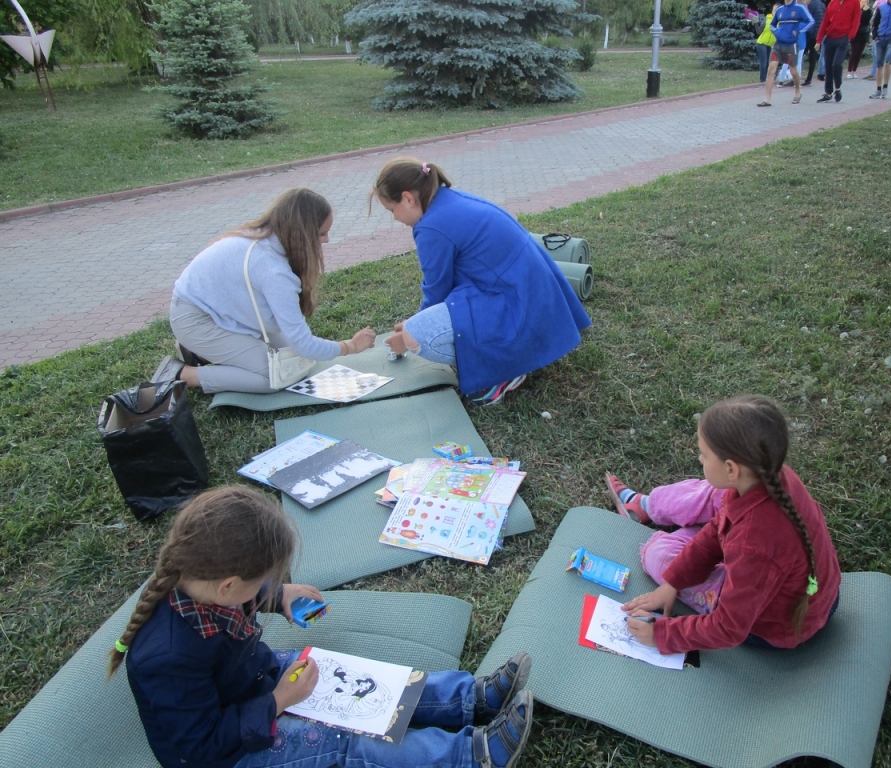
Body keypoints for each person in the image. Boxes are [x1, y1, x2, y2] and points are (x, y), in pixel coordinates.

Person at [110, 485, 534, 768]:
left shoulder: (206, 585)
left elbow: (243, 598)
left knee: (360, 682)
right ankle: (470, 755)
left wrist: (280, 594)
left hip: (256, 681)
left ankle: (470, 699)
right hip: (230, 752)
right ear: (228, 585)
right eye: (261, 581)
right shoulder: (166, 657)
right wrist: (278, 701)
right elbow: (196, 748)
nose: (263, 589)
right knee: (340, 741)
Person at [604, 395, 842, 652]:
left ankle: (654, 510)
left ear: (731, 469)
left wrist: (661, 635)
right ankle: (648, 506)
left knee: (657, 554)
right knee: (714, 495)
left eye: (704, 455)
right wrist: (673, 583)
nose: (700, 459)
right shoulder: (773, 477)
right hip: (811, 590)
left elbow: (728, 628)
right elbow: (719, 526)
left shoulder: (752, 545)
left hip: (774, 625)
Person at [373, 158, 592, 406]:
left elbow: (437, 290)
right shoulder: (448, 200)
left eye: (392, 210)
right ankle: (515, 354)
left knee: (417, 337)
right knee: (419, 327)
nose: (394, 218)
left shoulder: (432, 227)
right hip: (532, 297)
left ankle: (504, 370)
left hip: (518, 303)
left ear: (408, 198)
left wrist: (407, 336)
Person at [156, 188, 376, 393]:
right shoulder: (274, 271)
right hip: (195, 320)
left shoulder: (267, 238)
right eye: (321, 234)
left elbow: (298, 344)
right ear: (301, 234)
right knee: (273, 378)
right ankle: (184, 374)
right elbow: (305, 345)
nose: (326, 240)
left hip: (219, 312)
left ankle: (201, 353)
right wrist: (350, 346)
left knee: (295, 362)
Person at [760, 0, 815, 105]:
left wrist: (798, 30)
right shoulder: (780, 10)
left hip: (791, 44)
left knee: (793, 71)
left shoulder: (799, 8)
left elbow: (811, 21)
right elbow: (772, 25)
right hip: (778, 45)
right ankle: (767, 99)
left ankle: (798, 91)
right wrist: (776, 31)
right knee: (771, 69)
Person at [815, 0, 863, 102]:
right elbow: (825, 21)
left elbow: (856, 20)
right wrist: (819, 40)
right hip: (830, 38)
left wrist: (850, 36)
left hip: (843, 37)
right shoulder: (833, 2)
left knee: (837, 64)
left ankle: (838, 88)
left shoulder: (854, 2)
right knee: (828, 66)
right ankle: (828, 93)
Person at [869, 0, 891, 98]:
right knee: (879, 65)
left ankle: (885, 87)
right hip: (880, 38)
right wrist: (875, 36)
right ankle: (878, 89)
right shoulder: (882, 7)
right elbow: (875, 23)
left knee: (888, 62)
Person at [802, 0, 827, 85]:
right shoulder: (822, 5)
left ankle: (795, 76)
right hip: (820, 33)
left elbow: (807, 19)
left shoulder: (810, 5)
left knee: (800, 54)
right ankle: (809, 78)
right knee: (813, 55)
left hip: (811, 33)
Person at [847, 0, 874, 77]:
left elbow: (867, 19)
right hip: (856, 34)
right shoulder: (856, 11)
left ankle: (854, 71)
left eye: (865, 2)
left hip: (864, 34)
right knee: (854, 53)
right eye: (862, 2)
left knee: (859, 54)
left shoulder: (868, 11)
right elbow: (859, 20)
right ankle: (849, 70)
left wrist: (867, 10)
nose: (863, 4)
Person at [757, 4, 780, 83]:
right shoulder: (767, 19)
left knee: (770, 62)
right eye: (774, 10)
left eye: (777, 10)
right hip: (761, 42)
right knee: (764, 61)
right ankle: (762, 79)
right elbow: (758, 31)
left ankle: (768, 77)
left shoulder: (780, 22)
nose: (775, 12)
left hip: (770, 44)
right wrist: (755, 23)